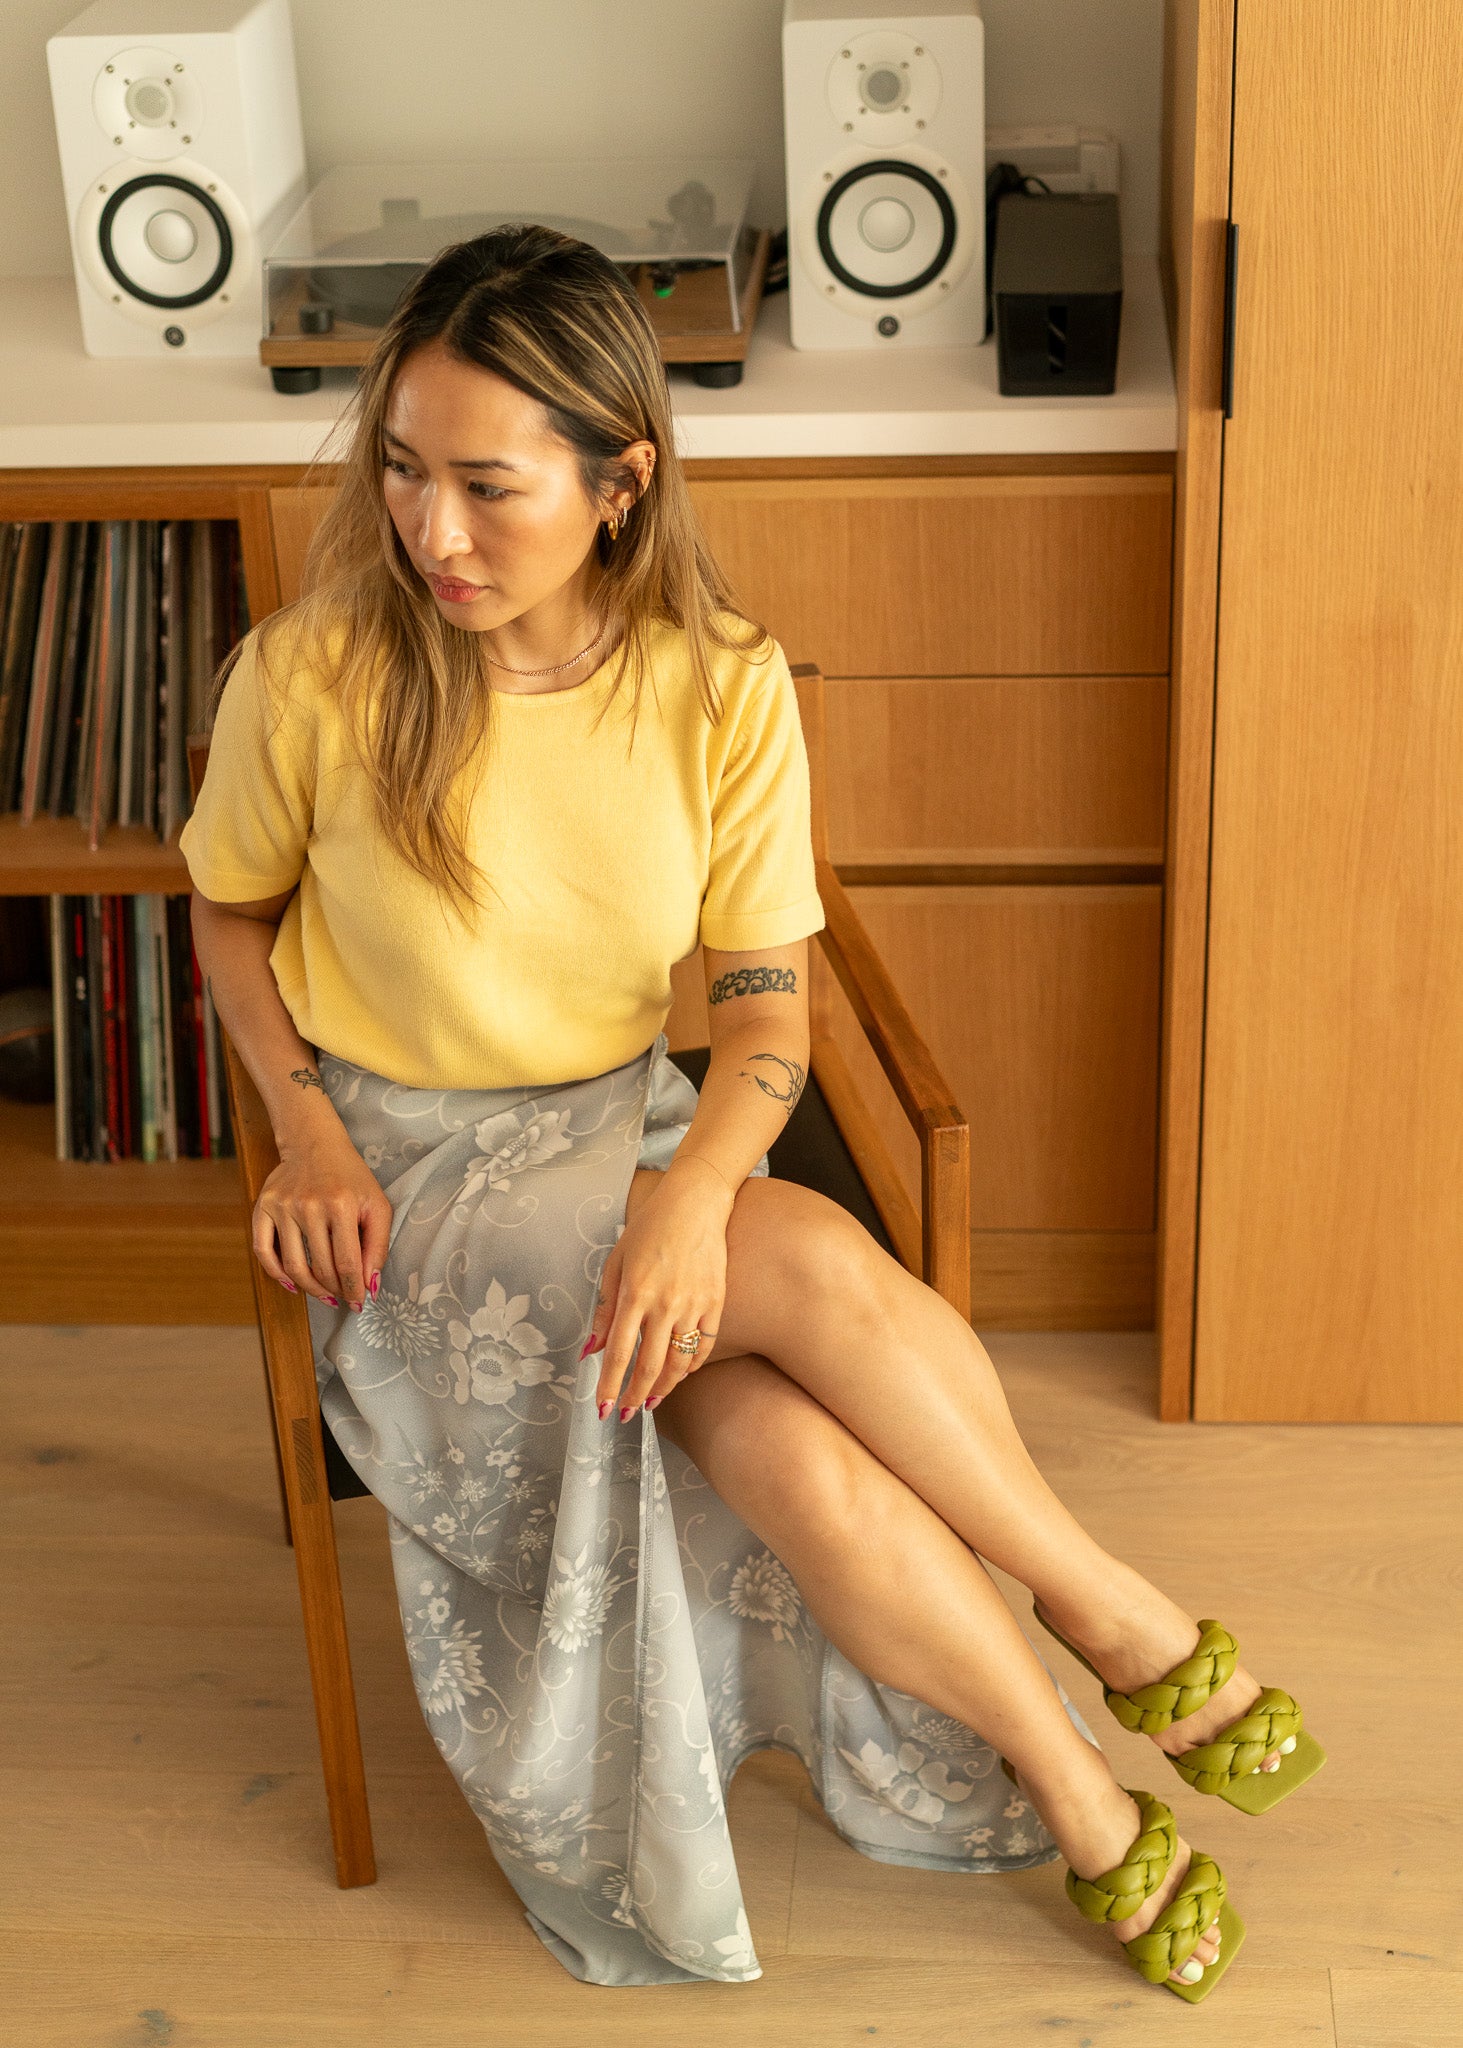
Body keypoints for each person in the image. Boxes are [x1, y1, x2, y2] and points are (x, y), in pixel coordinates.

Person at [179, 225, 1320, 2000]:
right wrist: (304, 1131)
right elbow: (227, 915)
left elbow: (767, 1009)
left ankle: (1090, 1799)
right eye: (405, 471)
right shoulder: (316, 676)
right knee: (792, 1238)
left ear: (619, 482)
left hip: (620, 1127)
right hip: (411, 1196)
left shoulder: (716, 683)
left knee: (788, 1434)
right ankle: (1119, 1619)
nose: (433, 531)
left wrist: (688, 1187)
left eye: (489, 484)